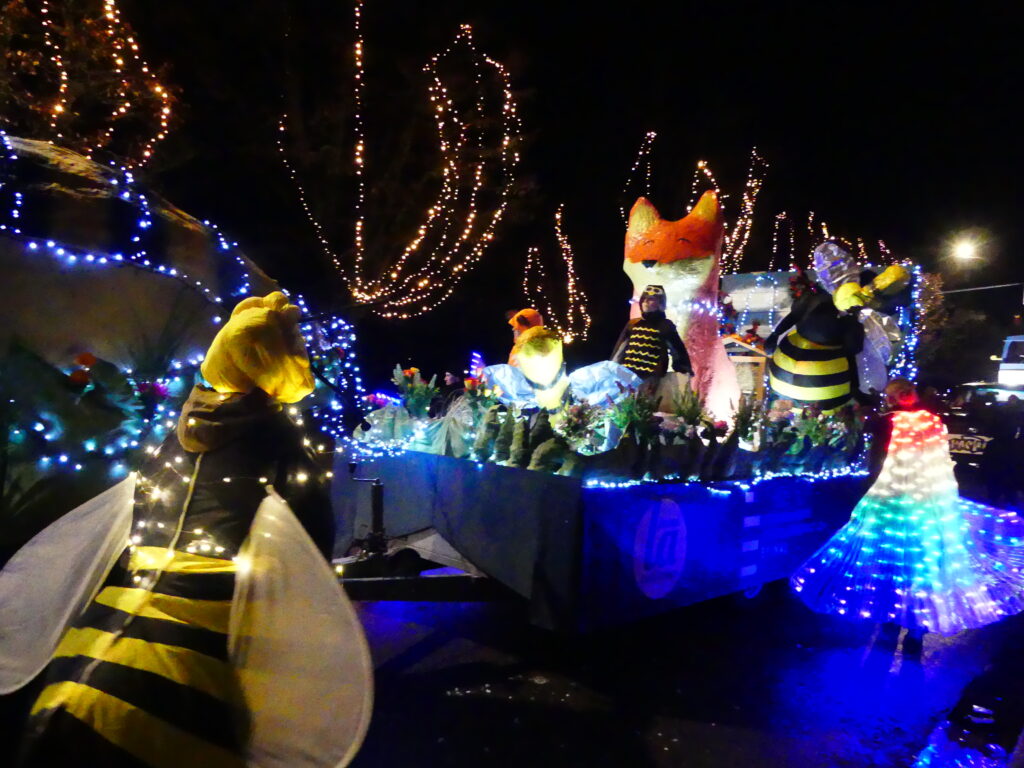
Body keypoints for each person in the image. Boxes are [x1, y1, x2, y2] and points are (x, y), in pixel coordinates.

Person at [16, 292, 371, 767]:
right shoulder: (283, 444)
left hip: (126, 597)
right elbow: (311, 549)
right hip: (211, 604)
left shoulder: (173, 435)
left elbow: (144, 507)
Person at [792, 379, 1024, 661]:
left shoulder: (887, 423)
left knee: (888, 565)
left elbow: (873, 461)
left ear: (892, 398)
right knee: (922, 568)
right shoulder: (934, 422)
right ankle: (915, 629)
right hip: (928, 507)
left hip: (889, 504)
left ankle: (889, 621)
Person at [611, 285, 692, 380]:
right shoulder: (633, 323)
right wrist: (613, 366)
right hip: (627, 375)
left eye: (651, 299)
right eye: (644, 298)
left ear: (660, 304)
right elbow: (620, 348)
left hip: (651, 377)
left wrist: (683, 368)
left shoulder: (665, 325)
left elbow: (677, 349)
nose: (645, 301)